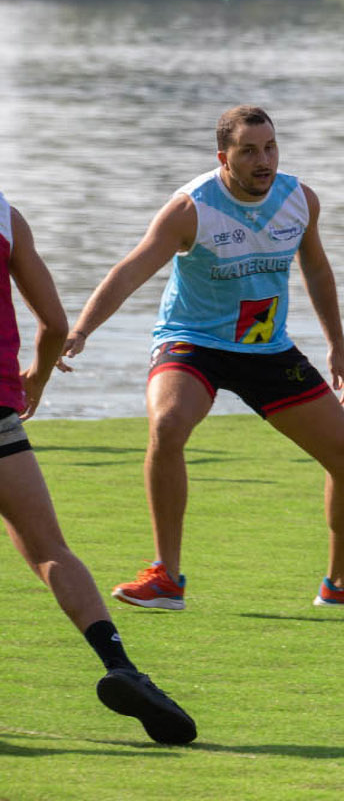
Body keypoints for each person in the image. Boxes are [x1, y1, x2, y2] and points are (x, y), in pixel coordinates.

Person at [61, 106, 344, 610]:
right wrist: (81, 329)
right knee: (169, 424)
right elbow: (131, 269)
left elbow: (318, 270)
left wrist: (337, 346)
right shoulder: (191, 209)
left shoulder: (299, 199)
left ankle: (343, 583)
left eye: (270, 147)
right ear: (224, 158)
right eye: (249, 151)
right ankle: (165, 577)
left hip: (266, 348)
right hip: (193, 342)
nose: (263, 160)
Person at [1, 189, 197, 744]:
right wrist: (34, 379)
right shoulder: (5, 216)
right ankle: (121, 665)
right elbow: (55, 323)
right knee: (49, 550)